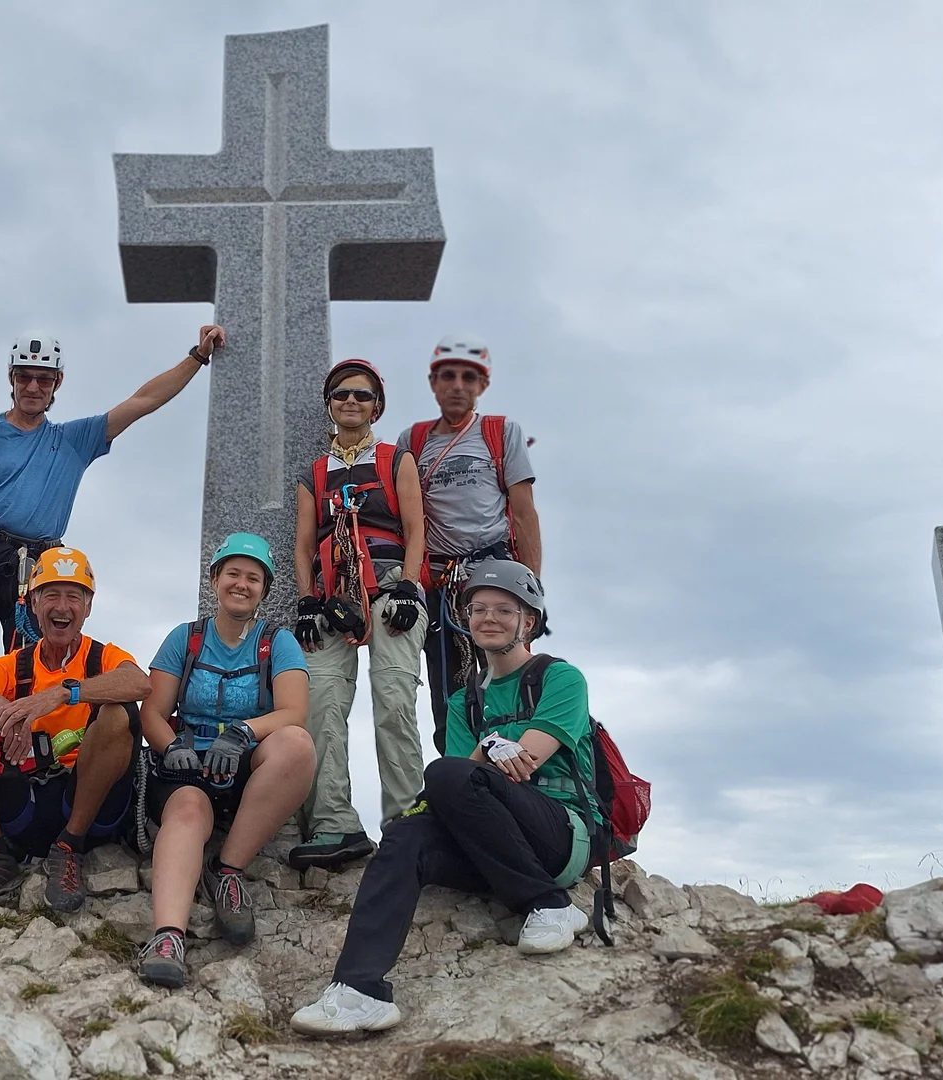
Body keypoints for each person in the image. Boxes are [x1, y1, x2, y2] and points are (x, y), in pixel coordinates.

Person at [0, 326, 226, 851]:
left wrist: (197, 357)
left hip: (41, 560)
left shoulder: (71, 439)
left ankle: (19, 779)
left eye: (43, 379)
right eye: (25, 377)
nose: (33, 387)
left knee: (29, 673)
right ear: (11, 380)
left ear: (57, 383)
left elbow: (143, 401)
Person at [289, 560, 598, 1036]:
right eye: (477, 609)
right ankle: (358, 990)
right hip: (488, 845)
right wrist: (489, 750)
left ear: (529, 621)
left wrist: (488, 752)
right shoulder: (463, 701)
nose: (488, 618)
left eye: (504, 609)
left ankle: (551, 903)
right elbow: (460, 784)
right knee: (407, 834)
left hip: (558, 833)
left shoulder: (560, 679)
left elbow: (527, 760)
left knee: (445, 774)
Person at [136, 533, 316, 989]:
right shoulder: (186, 638)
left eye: (253, 577)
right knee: (188, 809)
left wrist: (243, 732)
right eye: (233, 573)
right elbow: (152, 713)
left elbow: (294, 712)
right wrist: (173, 747)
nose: (242, 584)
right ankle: (168, 936)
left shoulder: (278, 642)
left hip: (243, 767)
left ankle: (227, 869)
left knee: (296, 743)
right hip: (187, 769)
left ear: (265, 589)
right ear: (214, 578)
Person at [0, 547, 150, 912]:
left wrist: (64, 693)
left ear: (88, 607)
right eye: (51, 595)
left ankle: (69, 848)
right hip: (25, 804)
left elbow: (138, 684)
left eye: (73, 596)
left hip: (90, 811)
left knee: (119, 713)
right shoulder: (17, 664)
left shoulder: (102, 656)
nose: (62, 607)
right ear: (33, 603)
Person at [288, 358, 429, 870]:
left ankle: (406, 823)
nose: (351, 402)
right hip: (333, 594)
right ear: (330, 405)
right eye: (341, 394)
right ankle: (333, 824)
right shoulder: (315, 473)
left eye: (362, 395)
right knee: (321, 702)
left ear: (377, 405)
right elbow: (304, 543)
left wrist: (412, 589)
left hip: (392, 584)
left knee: (393, 697)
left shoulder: (396, 459)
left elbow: (416, 529)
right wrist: (306, 599)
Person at [397, 335, 543, 753]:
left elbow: (524, 512)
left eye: (468, 377)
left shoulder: (500, 433)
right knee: (448, 692)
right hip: (440, 580)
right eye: (448, 376)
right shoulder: (414, 440)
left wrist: (534, 590)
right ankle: (458, 778)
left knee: (511, 679)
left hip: (494, 569)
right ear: (433, 383)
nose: (457, 385)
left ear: (482, 385)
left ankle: (524, 775)